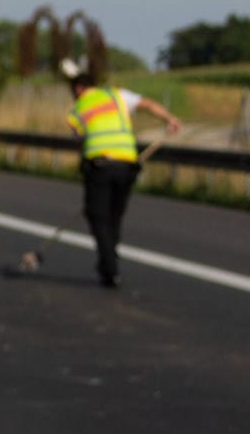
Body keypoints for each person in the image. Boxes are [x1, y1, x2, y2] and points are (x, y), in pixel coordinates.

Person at [65, 73, 181, 288]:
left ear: (79, 88)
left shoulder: (79, 108)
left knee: (97, 215)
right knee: (114, 215)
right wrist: (170, 119)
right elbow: (148, 104)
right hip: (128, 164)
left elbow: (79, 138)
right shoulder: (117, 95)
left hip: (100, 166)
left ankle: (109, 265)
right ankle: (110, 258)